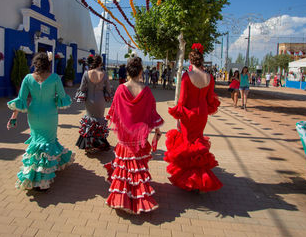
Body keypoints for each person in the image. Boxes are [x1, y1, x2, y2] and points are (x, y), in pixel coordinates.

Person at [104, 56, 164, 214]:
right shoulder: (146, 90)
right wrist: (157, 131)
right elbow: (152, 112)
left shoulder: (121, 89)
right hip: (140, 134)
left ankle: (122, 199)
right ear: (141, 71)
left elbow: (114, 112)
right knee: (137, 166)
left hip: (125, 133)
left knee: (124, 166)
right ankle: (138, 197)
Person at [7, 52, 74, 191]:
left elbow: (21, 100)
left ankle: (33, 174)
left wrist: (13, 118)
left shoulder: (27, 78)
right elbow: (62, 97)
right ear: (48, 64)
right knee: (48, 143)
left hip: (33, 114)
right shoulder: (55, 78)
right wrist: (55, 100)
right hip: (49, 114)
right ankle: (43, 180)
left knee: (36, 142)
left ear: (35, 64)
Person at [164, 43, 222, 193]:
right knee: (198, 141)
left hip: (188, 114)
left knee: (187, 142)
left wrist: (178, 117)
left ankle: (190, 180)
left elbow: (182, 100)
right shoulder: (209, 77)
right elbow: (210, 100)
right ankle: (199, 179)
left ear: (190, 61)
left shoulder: (186, 76)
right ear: (202, 61)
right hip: (202, 114)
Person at [75, 55, 113, 152]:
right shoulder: (104, 74)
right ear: (100, 63)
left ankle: (89, 144)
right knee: (99, 120)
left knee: (89, 120)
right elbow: (108, 89)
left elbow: (82, 88)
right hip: (100, 100)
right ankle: (99, 143)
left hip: (89, 100)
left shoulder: (86, 73)